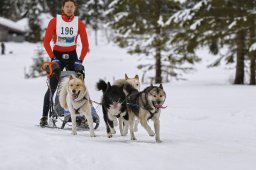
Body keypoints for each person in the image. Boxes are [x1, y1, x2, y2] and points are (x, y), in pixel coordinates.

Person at [40, 0, 89, 126]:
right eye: (67, 6)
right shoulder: (55, 21)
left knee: (79, 85)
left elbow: (85, 45)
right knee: (53, 86)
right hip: (57, 55)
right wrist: (53, 57)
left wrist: (80, 60)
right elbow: (46, 42)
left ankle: (82, 115)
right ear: (63, 8)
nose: (69, 9)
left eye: (71, 7)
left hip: (72, 55)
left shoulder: (79, 23)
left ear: (75, 8)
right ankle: (44, 116)